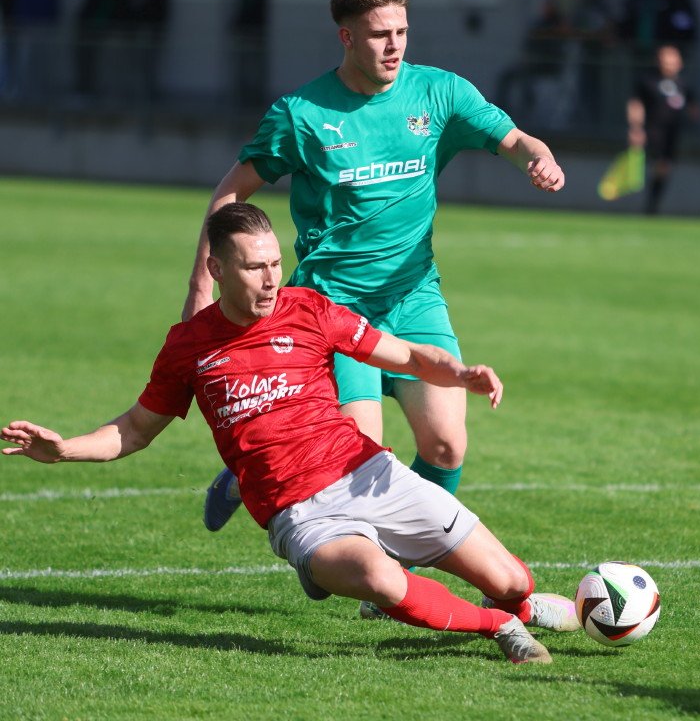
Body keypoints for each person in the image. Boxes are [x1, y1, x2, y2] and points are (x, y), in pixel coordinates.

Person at [2, 202, 579, 663]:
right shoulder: (188, 347)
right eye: (255, 267)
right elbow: (133, 428)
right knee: (379, 577)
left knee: (511, 577)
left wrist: (460, 373)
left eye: (275, 262)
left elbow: (401, 354)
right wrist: (66, 449)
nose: (271, 278)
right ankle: (501, 626)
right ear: (217, 270)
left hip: (369, 472)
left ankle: (514, 605)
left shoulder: (309, 309)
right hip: (300, 513)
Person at [186, 0, 565, 569]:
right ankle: (289, 513)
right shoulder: (302, 114)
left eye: (402, 31)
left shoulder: (439, 94)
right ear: (345, 38)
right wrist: (202, 282)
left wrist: (539, 162)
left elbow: (517, 139)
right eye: (378, 34)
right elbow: (235, 189)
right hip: (332, 311)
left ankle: (402, 564)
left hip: (414, 298)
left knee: (445, 443)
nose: (394, 45)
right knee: (359, 462)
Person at [626, 43, 697, 215]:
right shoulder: (648, 80)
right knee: (659, 165)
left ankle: (653, 203)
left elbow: (693, 107)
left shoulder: (683, 84)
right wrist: (636, 128)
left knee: (665, 167)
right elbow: (636, 104)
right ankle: (650, 204)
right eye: (666, 58)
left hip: (673, 133)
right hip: (653, 130)